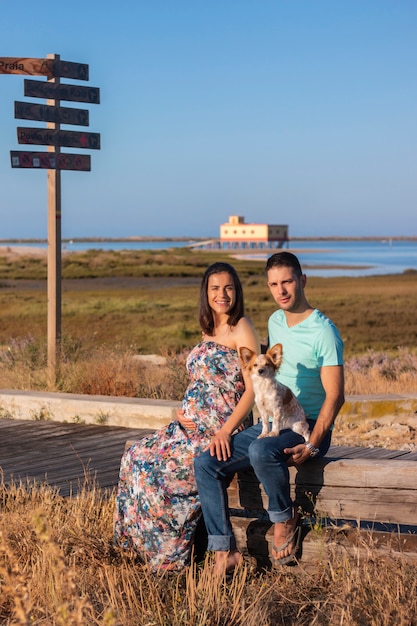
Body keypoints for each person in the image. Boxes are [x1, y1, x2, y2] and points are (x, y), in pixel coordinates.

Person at [194, 251, 345, 573]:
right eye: (274, 284)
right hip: (273, 419)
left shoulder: (324, 331)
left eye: (288, 281)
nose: (282, 290)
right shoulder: (275, 320)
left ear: (302, 280)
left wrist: (315, 443)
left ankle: (284, 517)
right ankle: (224, 550)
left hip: (307, 423)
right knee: (206, 462)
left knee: (262, 448)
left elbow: (336, 396)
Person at [113, 261, 259, 571]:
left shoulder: (241, 326)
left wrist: (225, 432)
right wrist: (181, 410)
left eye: (229, 288)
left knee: (158, 476)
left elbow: (253, 390)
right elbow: (201, 382)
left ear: (237, 291)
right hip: (187, 426)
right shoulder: (208, 328)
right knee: (134, 457)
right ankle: (134, 548)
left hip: (219, 431)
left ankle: (170, 559)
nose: (222, 294)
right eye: (215, 288)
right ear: (206, 293)